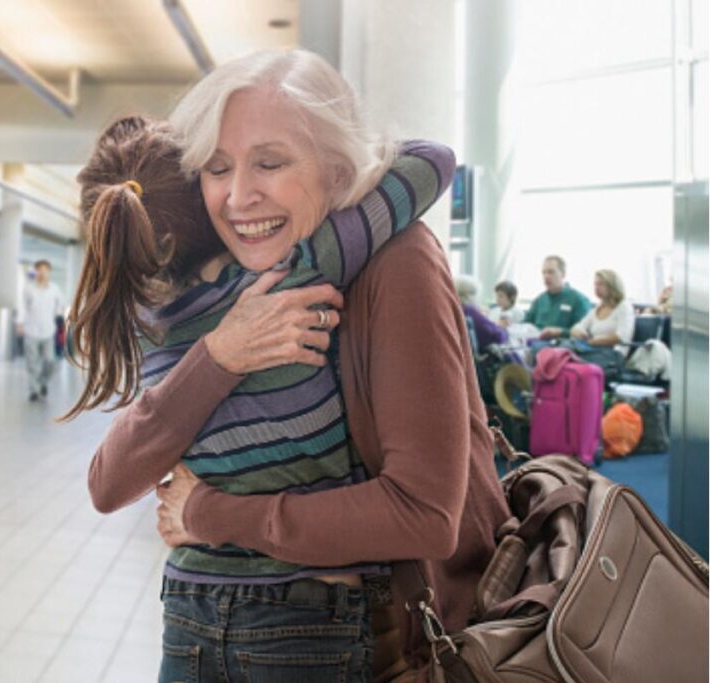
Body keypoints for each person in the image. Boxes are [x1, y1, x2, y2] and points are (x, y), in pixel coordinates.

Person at [73, 49, 505, 682]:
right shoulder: (199, 290)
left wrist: (209, 515)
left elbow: (424, 514)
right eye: (217, 169)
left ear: (336, 169)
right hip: (194, 621)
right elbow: (108, 482)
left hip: (353, 632)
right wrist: (220, 354)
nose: (240, 196)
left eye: (270, 163)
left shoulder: (396, 262)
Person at [18, 260, 63, 402]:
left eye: (45, 269)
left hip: (48, 330)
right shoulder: (29, 288)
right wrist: (20, 322)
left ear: (49, 272)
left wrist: (58, 315)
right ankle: (34, 390)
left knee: (50, 361)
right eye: (40, 269)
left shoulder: (54, 289)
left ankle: (42, 382)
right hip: (31, 330)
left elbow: (61, 303)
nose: (42, 272)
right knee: (32, 362)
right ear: (36, 271)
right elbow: (22, 306)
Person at [523, 255, 591, 339]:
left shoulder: (578, 300)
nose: (546, 276)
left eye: (551, 272)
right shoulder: (539, 300)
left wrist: (559, 332)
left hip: (562, 347)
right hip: (535, 344)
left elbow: (584, 333)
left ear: (563, 274)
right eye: (544, 272)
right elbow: (525, 324)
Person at [570, 268, 635, 355]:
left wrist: (593, 341)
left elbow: (621, 337)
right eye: (595, 284)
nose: (596, 288)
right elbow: (577, 327)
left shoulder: (624, 306)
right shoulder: (598, 307)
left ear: (612, 286)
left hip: (613, 355)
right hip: (594, 352)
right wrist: (580, 333)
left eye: (600, 284)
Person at [456, 275, 508, 351]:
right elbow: (497, 336)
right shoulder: (470, 311)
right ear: (471, 295)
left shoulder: (455, 309)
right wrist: (503, 329)